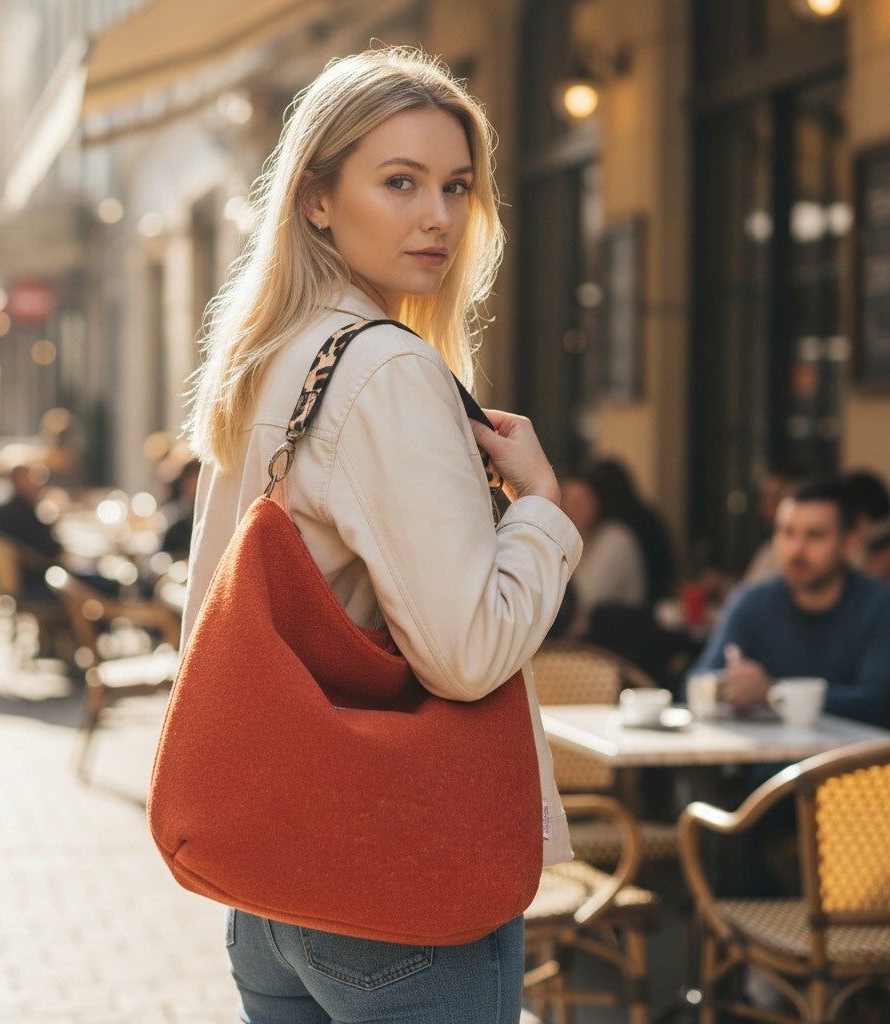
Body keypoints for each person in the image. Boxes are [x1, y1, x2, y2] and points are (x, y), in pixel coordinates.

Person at [181, 47, 582, 1024]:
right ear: (316, 198)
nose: (437, 216)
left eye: (456, 186)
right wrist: (540, 507)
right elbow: (465, 654)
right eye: (400, 182)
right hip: (395, 882)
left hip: (275, 883)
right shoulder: (387, 370)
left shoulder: (269, 357)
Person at [687, 476, 890, 728]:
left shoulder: (880, 607)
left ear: (849, 543)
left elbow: (878, 701)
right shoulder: (751, 601)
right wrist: (725, 687)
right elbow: (695, 682)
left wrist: (774, 693)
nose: (796, 549)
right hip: (765, 751)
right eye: (786, 532)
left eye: (814, 535)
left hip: (856, 753)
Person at [559, 467, 647, 633]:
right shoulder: (565, 538)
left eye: (579, 503)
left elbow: (586, 601)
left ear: (597, 504)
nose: (570, 509)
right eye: (565, 501)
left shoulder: (617, 539)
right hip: (582, 634)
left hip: (616, 635)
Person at [587, 458, 676, 603]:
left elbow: (592, 595)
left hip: (640, 604)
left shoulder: (616, 533)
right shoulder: (646, 514)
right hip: (653, 596)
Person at [0, 464, 63, 601]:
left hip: (28, 582)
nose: (39, 484)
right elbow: (51, 551)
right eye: (34, 478)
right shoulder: (23, 513)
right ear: (19, 481)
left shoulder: (0, 513)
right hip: (38, 583)